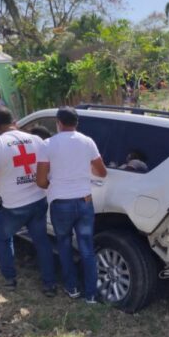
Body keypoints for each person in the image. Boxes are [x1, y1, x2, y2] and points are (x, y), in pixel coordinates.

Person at [36, 107, 107, 304]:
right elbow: (102, 172)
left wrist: (56, 186)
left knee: (64, 245)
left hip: (61, 204)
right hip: (84, 202)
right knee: (87, 248)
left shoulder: (48, 144)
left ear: (58, 122)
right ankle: (91, 294)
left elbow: (40, 180)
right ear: (77, 123)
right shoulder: (88, 142)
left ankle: (72, 287)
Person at [0, 107, 57, 296]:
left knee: (3, 238)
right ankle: (49, 284)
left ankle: (9, 280)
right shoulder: (37, 140)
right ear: (14, 121)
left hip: (13, 206)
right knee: (41, 241)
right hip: (38, 200)